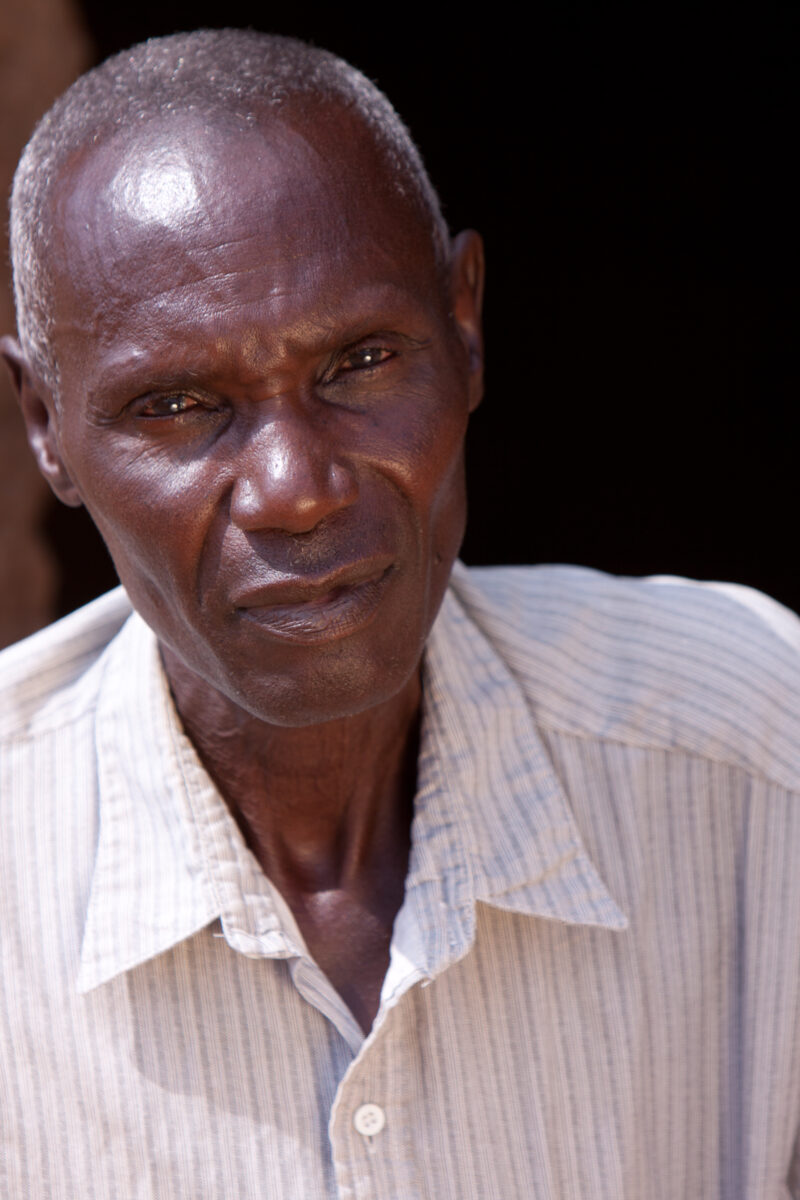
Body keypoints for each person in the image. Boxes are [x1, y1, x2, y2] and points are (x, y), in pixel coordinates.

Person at [1, 28, 799, 1200]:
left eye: (360, 362)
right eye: (175, 404)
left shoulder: (756, 759)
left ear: (464, 326)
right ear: (44, 428)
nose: (295, 486)